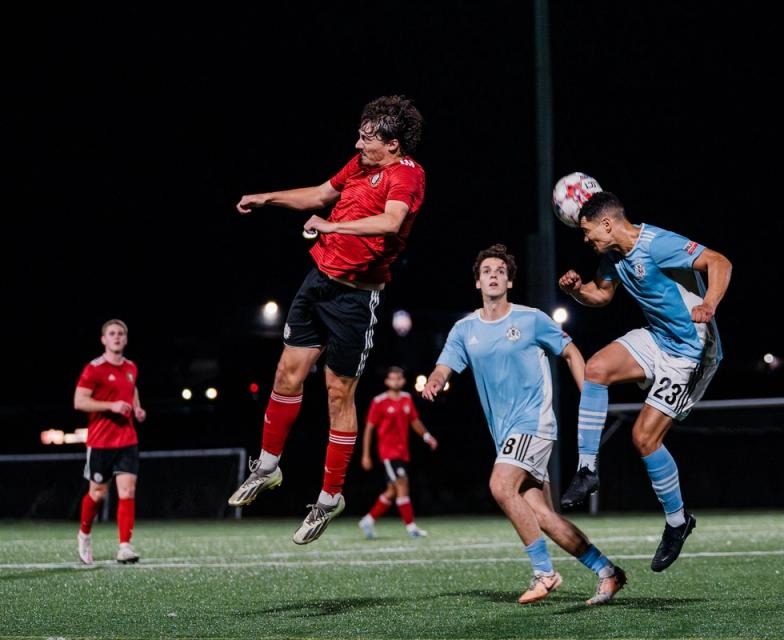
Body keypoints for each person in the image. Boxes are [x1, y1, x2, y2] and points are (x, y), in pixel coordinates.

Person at [227, 96, 426, 546]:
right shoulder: (359, 164)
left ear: (392, 144)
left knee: (338, 392)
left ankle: (330, 496)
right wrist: (267, 197)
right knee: (286, 372)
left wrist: (333, 228)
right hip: (318, 282)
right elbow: (320, 195)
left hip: (356, 299)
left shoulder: (408, 174)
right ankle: (268, 466)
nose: (357, 142)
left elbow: (392, 222)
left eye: (367, 138)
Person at [422, 244, 627, 606]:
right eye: (487, 270)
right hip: (506, 435)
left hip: (533, 422)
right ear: (477, 283)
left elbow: (570, 351)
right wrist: (437, 380)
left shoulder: (531, 319)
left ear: (509, 281)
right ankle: (607, 572)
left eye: (500, 270)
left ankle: (544, 573)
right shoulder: (464, 329)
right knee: (543, 516)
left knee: (500, 485)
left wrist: (589, 398)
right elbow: (445, 365)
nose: (494, 275)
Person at [557, 191, 732, 573]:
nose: (585, 240)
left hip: (690, 349)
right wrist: (576, 291)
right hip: (657, 337)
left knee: (644, 438)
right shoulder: (612, 257)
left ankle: (677, 521)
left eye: (588, 232)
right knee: (596, 369)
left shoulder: (658, 244)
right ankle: (587, 469)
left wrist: (710, 304)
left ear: (607, 223)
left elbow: (719, 262)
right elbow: (600, 295)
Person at [74, 319, 147, 564]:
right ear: (103, 339)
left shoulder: (131, 367)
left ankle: (125, 547)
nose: (116, 337)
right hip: (101, 441)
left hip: (127, 439)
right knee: (97, 494)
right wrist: (111, 406)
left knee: (127, 490)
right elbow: (79, 401)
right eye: (112, 333)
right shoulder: (93, 369)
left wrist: (137, 408)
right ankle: (84, 534)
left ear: (125, 339)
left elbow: (131, 389)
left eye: (120, 334)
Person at [358, 366, 438, 539]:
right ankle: (411, 528)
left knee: (392, 491)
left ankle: (368, 520)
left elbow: (414, 421)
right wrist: (365, 454)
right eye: (392, 378)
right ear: (387, 381)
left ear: (403, 380)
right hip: (388, 453)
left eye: (399, 378)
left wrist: (427, 436)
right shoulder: (379, 401)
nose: (396, 381)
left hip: (402, 452)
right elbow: (369, 429)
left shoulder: (407, 399)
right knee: (403, 485)